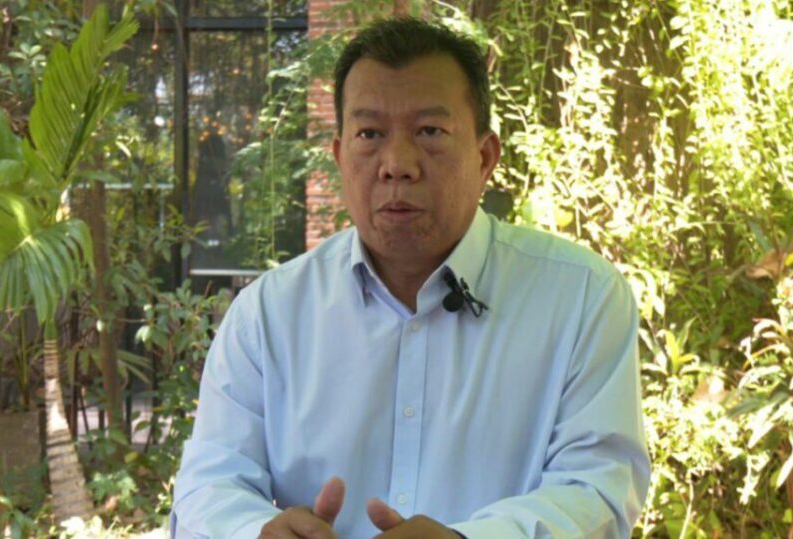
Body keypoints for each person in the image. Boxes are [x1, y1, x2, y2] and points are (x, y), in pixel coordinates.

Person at [171, 17, 650, 539]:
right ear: (340, 157)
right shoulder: (269, 314)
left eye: (430, 132)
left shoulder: (580, 299)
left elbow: (598, 489)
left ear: (485, 157)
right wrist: (256, 531)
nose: (397, 164)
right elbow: (207, 486)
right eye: (370, 134)